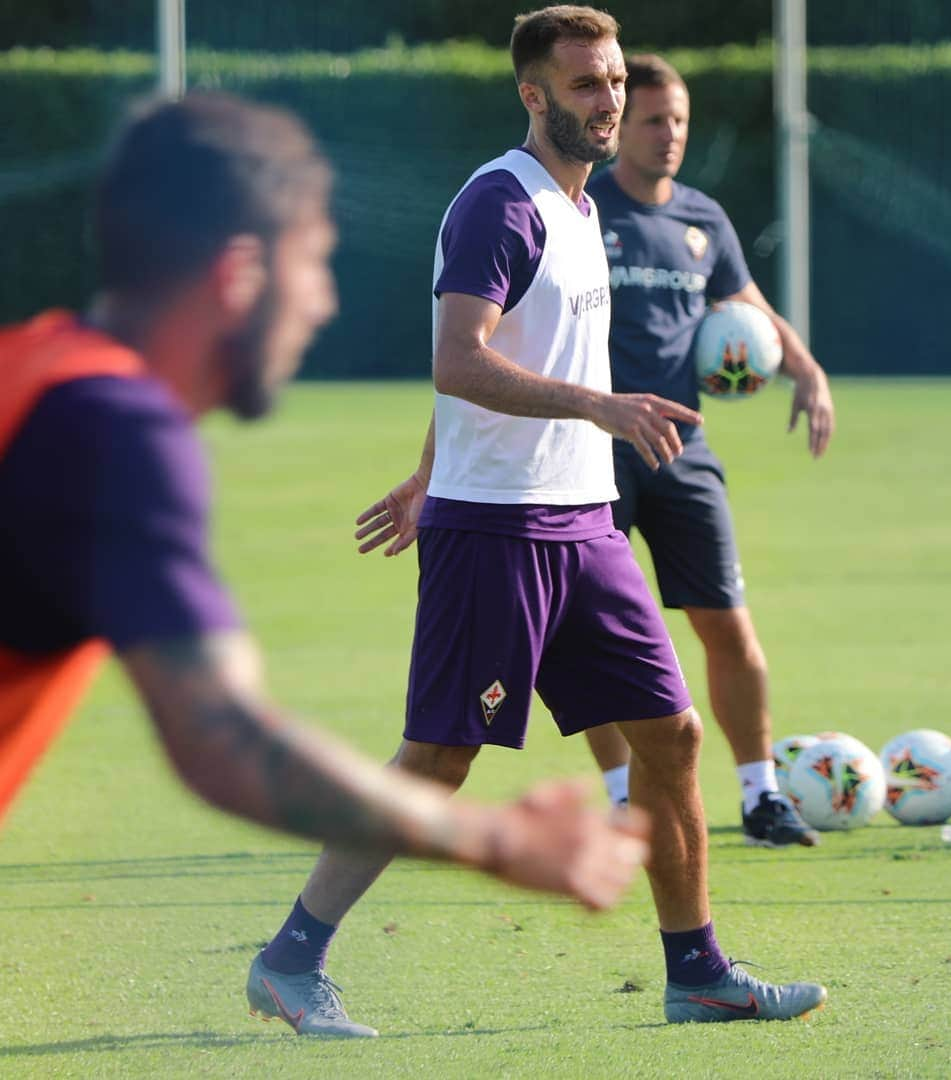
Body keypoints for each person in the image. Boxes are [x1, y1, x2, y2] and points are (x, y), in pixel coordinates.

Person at [0, 91, 654, 1033]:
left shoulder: (37, 374)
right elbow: (222, 740)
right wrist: (494, 838)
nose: (324, 301)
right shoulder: (113, 431)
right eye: (314, 265)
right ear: (238, 276)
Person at [253, 5, 827, 1036]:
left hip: (587, 527)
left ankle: (696, 972)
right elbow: (458, 358)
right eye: (585, 87)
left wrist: (431, 465)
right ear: (534, 95)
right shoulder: (498, 204)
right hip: (498, 532)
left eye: (614, 82)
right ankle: (290, 959)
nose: (608, 102)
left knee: (673, 735)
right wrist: (585, 416)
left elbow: (502, 358)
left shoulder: (583, 209)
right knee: (439, 757)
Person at [582, 53, 837, 847]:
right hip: (591, 452)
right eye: (654, 120)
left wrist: (806, 370)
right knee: (595, 634)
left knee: (726, 623)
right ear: (622, 126)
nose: (670, 135)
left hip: (683, 451)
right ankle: (626, 801)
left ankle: (761, 797)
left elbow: (748, 305)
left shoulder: (703, 218)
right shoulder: (580, 212)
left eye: (680, 121)